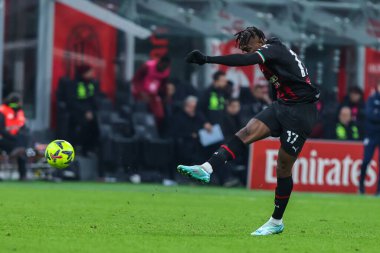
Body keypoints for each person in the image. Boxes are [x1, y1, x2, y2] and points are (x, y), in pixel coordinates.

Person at [177, 26, 319, 236]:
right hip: (283, 106)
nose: (247, 53)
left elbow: (246, 61)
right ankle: (206, 168)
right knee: (247, 131)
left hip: (301, 112)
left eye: (249, 48)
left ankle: (276, 221)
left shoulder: (273, 49)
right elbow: (277, 82)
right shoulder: (270, 56)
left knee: (283, 166)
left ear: (261, 40)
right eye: (244, 50)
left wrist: (207, 59)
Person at [132, 55, 171, 123]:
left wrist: (165, 96)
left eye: (165, 67)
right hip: (141, 92)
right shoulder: (147, 66)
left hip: (153, 94)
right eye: (163, 66)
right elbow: (136, 79)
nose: (163, 69)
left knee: (159, 114)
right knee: (142, 108)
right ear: (159, 63)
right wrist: (141, 92)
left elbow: (163, 85)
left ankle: (153, 127)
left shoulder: (166, 72)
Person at [358, 81, 380, 195]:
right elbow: (369, 114)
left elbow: (374, 115)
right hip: (371, 135)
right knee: (366, 160)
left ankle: (378, 191)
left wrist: (376, 114)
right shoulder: (372, 99)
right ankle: (361, 186)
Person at [0, 93, 27, 180]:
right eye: (19, 102)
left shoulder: (20, 112)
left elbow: (23, 127)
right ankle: (17, 150)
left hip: (16, 140)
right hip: (3, 139)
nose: (20, 104)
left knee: (22, 144)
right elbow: (1, 129)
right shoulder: (3, 111)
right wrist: (13, 138)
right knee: (20, 145)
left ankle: (23, 175)